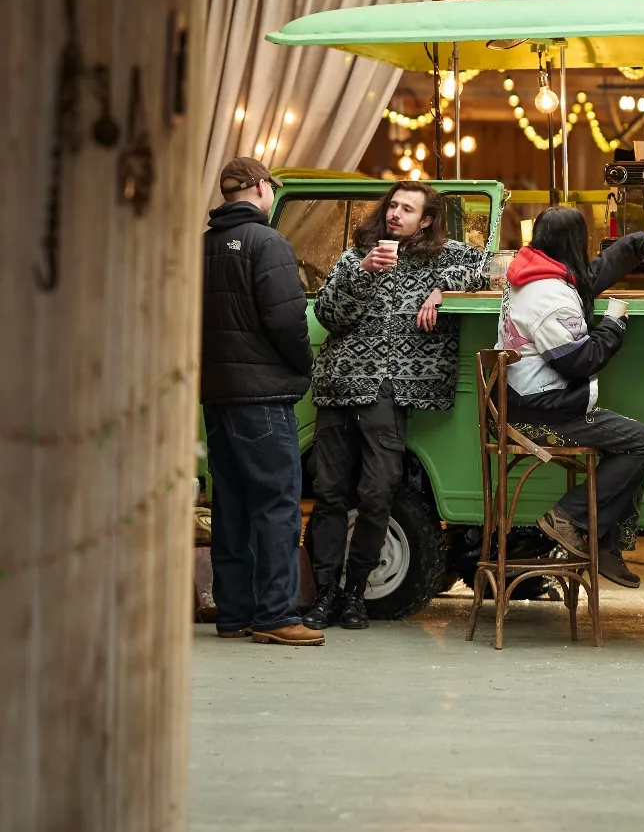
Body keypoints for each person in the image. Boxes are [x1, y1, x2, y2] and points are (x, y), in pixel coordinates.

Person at [303, 183, 489, 631]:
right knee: (329, 495)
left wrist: (444, 291)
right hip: (339, 384)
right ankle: (326, 593)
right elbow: (328, 315)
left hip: (388, 393)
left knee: (378, 492)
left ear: (426, 221)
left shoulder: (444, 258)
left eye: (407, 209)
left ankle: (355, 592)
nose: (395, 214)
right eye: (393, 205)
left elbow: (490, 267)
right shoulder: (355, 257)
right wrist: (363, 272)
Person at [497, 206, 644, 588]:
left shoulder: (535, 272)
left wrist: (639, 245)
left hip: (529, 400)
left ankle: (601, 541)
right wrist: (613, 326)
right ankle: (570, 517)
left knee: (630, 443)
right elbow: (581, 361)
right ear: (577, 242)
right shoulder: (548, 294)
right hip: (541, 411)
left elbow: (591, 276)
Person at [200, 156, 319, 646]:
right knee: (276, 505)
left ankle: (234, 613)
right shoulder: (267, 243)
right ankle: (275, 616)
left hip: (217, 394)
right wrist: (303, 366)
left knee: (229, 503)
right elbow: (288, 320)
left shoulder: (202, 247)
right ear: (262, 188)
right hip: (264, 396)